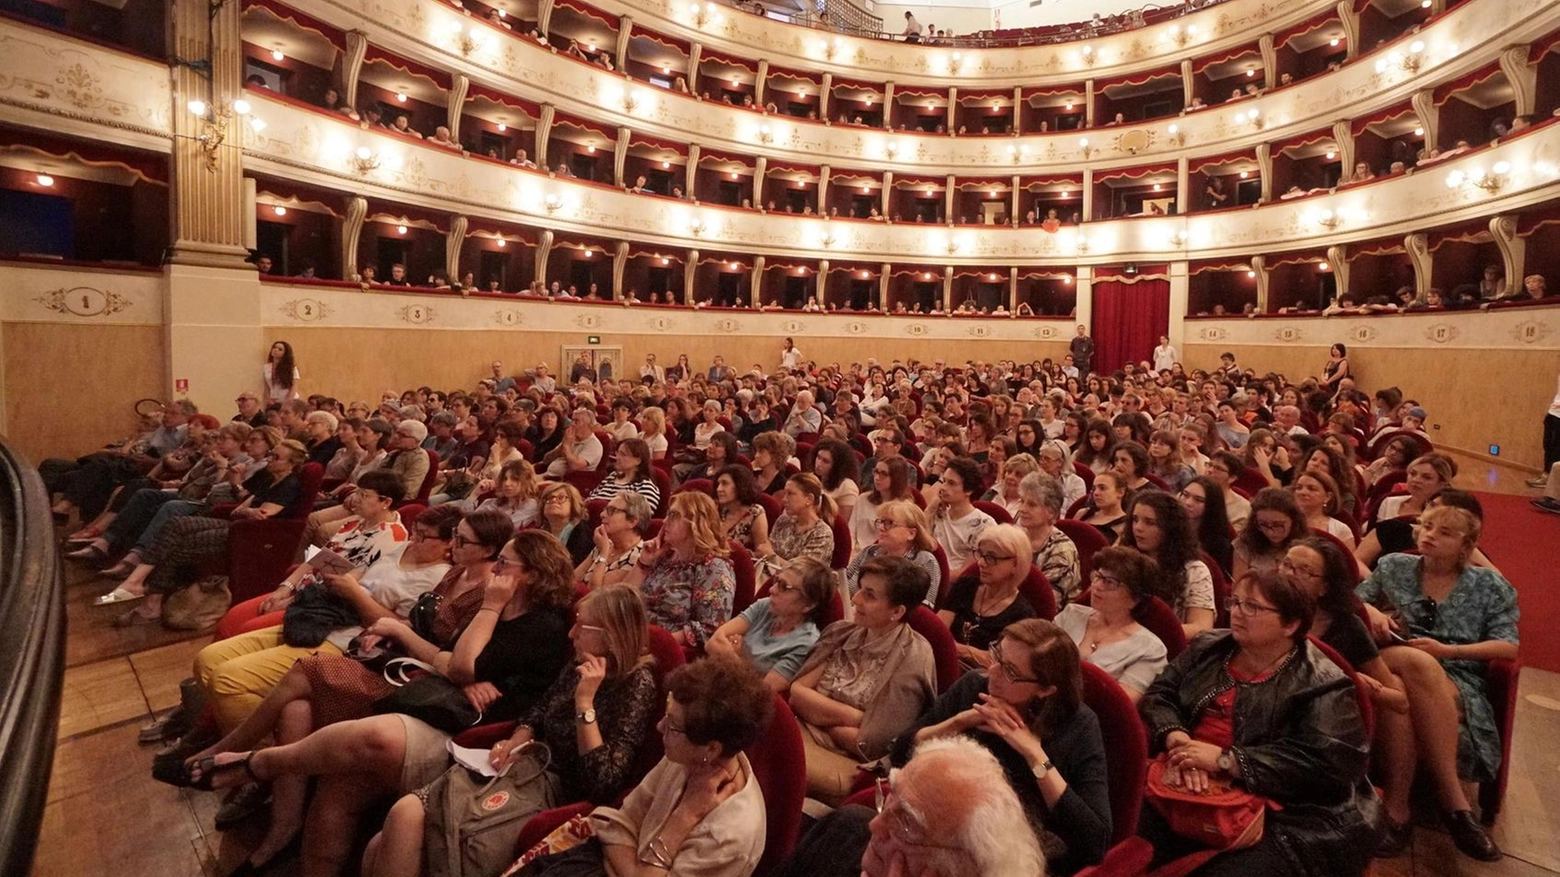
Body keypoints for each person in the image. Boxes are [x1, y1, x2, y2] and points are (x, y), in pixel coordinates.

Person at [175, 523, 581, 876]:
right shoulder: (496, 605)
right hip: (430, 693)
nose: (497, 569)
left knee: (351, 724)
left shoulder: (538, 623)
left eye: (506, 564)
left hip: (469, 731)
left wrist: (475, 631)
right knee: (329, 766)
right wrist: (456, 661)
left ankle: (252, 765)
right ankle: (281, 830)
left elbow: (459, 666)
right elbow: (452, 660)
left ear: (532, 575)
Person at [1136, 569, 1379, 876]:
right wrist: (1177, 737)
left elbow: (1329, 765)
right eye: (1235, 602)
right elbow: (1160, 695)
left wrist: (1228, 761)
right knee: (1112, 832)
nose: (1237, 613)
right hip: (1187, 777)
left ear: (1290, 624)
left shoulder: (1324, 682)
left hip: (1288, 813)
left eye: (1252, 607)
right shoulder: (1209, 647)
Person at [492, 655, 772, 877]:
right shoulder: (689, 756)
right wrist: (639, 870)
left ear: (712, 748)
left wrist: (682, 819)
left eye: (672, 725)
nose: (660, 727)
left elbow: (617, 833)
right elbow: (622, 821)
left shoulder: (730, 834)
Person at [1356, 504, 1517, 861]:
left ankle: (1396, 812)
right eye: (1427, 527)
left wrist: (1446, 650)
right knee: (1414, 662)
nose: (1429, 535)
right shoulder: (1393, 565)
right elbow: (1349, 605)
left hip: (1455, 674)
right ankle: (1456, 806)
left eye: (1444, 532)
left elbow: (1508, 647)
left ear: (1467, 544)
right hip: (1391, 656)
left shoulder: (1489, 584)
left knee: (1403, 690)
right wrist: (1373, 612)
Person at [770, 736, 1044, 877]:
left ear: (959, 868)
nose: (875, 826)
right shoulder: (845, 829)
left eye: (907, 823)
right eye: (892, 796)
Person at [790, 555, 936, 805]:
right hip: (801, 731)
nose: (855, 599)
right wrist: (855, 717)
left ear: (897, 612)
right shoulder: (842, 632)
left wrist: (817, 713)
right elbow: (796, 693)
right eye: (860, 590)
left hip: (849, 763)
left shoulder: (912, 660)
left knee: (771, 761)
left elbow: (869, 744)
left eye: (869, 595)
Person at [1054, 547, 1168, 702]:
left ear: (1135, 598)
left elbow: (1119, 705)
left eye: (1110, 582)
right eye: (1098, 576)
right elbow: (1036, 658)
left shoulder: (1150, 650)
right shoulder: (1071, 614)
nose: (1097, 586)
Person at [625, 491, 735, 649]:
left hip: (665, 650)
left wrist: (651, 642)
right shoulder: (665, 556)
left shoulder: (713, 567)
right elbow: (622, 599)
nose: (664, 521)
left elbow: (709, 629)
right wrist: (644, 562)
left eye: (674, 515)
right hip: (633, 638)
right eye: (667, 514)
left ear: (696, 523)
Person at [708, 558, 831, 693]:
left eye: (784, 587)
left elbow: (761, 693)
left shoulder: (805, 644)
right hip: (717, 683)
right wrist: (740, 663)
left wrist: (737, 658)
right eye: (777, 581)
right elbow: (713, 642)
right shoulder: (765, 606)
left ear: (808, 605)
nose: (772, 590)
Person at [938, 524, 1040, 670]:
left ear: (1015, 564)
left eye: (991, 557)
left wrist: (952, 647)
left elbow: (997, 663)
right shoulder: (966, 585)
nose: (981, 563)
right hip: (944, 664)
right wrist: (970, 652)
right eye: (980, 554)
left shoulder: (1022, 615)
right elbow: (938, 630)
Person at [1117, 490, 1217, 636]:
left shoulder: (1194, 570)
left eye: (1149, 522)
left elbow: (1201, 627)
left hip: (1168, 647)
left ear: (1170, 529)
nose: (1138, 527)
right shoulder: (1125, 559)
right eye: (1135, 519)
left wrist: (1142, 635)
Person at [843, 499, 943, 606]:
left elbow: (924, 608)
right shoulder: (869, 552)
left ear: (911, 533)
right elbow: (843, 583)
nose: (881, 528)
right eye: (880, 522)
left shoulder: (925, 561)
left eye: (889, 523)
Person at [753, 472, 837, 581]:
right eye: (785, 494)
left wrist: (772, 556)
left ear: (809, 499)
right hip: (772, 580)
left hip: (801, 591)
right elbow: (766, 553)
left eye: (790, 494)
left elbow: (803, 573)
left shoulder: (822, 534)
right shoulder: (783, 521)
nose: (784, 499)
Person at [1014, 472, 1082, 607]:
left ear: (1051, 511)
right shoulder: (1017, 537)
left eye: (1032, 505)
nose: (1022, 509)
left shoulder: (1062, 549)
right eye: (1022, 501)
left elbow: (1046, 603)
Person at [926, 457, 996, 574]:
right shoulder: (938, 512)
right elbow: (919, 547)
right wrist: (929, 510)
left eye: (951, 483)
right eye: (944, 481)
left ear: (968, 490)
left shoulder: (984, 525)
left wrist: (935, 579)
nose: (943, 488)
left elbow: (967, 572)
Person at [575, 491, 652, 590]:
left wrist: (603, 553)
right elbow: (573, 581)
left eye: (612, 510)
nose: (602, 514)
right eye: (605, 510)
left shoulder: (637, 557)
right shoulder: (607, 543)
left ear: (632, 521)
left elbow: (596, 593)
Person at [849, 456, 917, 561]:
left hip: (882, 558)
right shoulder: (863, 499)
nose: (877, 477)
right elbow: (851, 533)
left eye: (883, 474)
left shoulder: (904, 508)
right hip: (856, 555)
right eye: (876, 472)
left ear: (896, 478)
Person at [1232, 487, 1307, 578]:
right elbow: (1239, 587)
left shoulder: (1307, 547)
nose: (1270, 532)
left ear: (1294, 520)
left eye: (1278, 525)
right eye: (1263, 524)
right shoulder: (1244, 543)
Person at [1178, 475, 1234, 575]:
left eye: (1198, 500)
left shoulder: (1218, 543)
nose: (1188, 503)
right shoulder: (1166, 528)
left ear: (1211, 505)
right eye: (1185, 495)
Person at [1376, 452, 1455, 522]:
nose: (1416, 480)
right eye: (1413, 474)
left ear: (1442, 484)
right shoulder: (1389, 502)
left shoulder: (1445, 514)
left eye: (1426, 477)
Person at [586, 437, 662, 509]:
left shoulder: (645, 487)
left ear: (638, 461)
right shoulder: (612, 477)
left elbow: (638, 517)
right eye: (617, 453)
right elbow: (590, 499)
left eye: (623, 454)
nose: (617, 457)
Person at [533, 481, 593, 565]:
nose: (553, 500)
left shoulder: (582, 532)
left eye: (561, 498)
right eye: (549, 498)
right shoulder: (539, 533)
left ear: (573, 504)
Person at [812, 437, 862, 523]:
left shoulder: (847, 486)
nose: (819, 464)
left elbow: (843, 524)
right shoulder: (812, 478)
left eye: (826, 461)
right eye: (818, 457)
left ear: (837, 466)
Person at [1526, 370, 1560, 488]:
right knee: (1548, 445)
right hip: (1553, 412)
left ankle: (1551, 479)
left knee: (1556, 448)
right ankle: (1545, 474)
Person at [1076, 470, 1130, 543]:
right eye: (1094, 489)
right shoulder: (1083, 513)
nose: (1096, 493)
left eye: (1102, 488)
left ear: (1120, 492)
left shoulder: (1124, 526)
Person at [264, 340, 300, 405]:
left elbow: (294, 387)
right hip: (273, 400)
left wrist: (288, 401)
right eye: (274, 347)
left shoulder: (291, 368)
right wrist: (268, 398)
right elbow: (267, 386)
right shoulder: (266, 367)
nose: (276, 350)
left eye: (280, 349)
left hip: (288, 400)